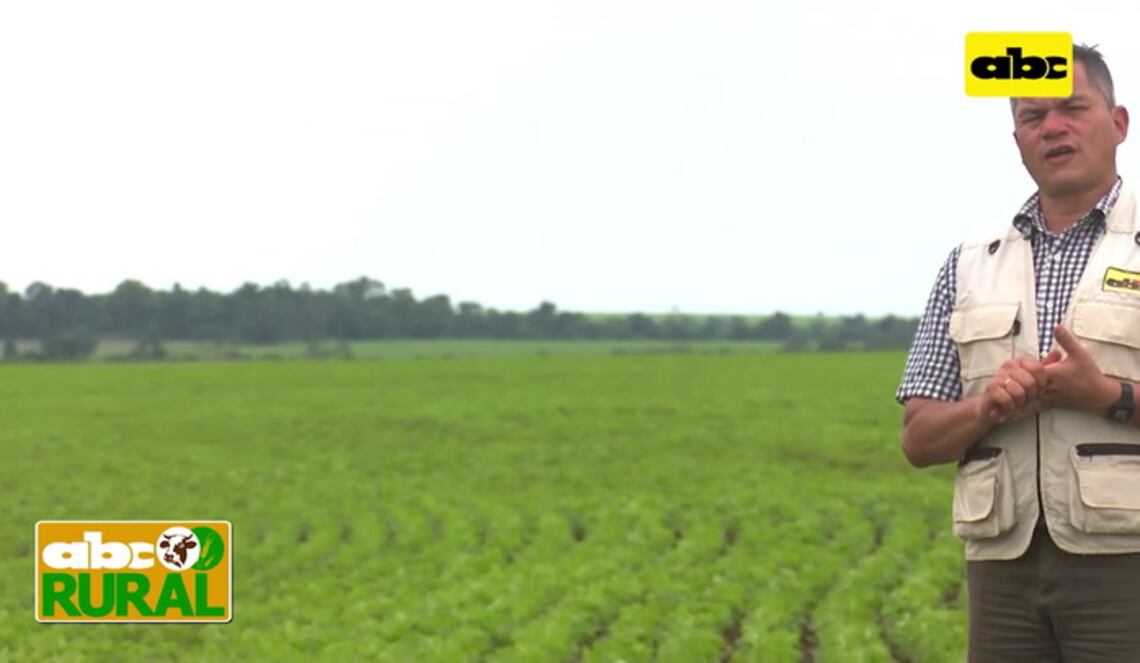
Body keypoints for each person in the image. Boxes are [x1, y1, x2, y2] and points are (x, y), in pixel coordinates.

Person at [897, 44, 1140, 661]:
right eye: (1033, 117)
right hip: (1002, 575)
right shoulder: (970, 263)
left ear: (1118, 124)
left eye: (1072, 108)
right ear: (1018, 142)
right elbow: (919, 439)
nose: (1052, 127)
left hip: (1127, 563)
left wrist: (1104, 395)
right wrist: (988, 408)